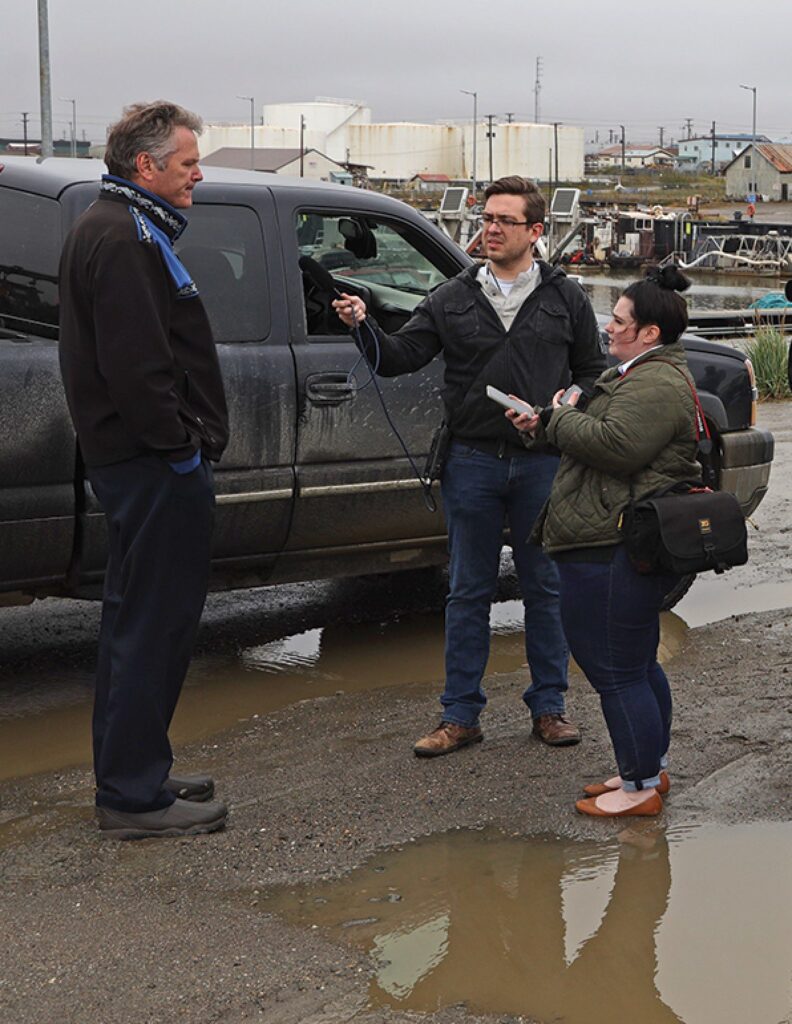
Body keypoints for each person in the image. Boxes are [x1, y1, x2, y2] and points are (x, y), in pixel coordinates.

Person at [333, 176, 606, 757]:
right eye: (487, 218)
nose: (491, 228)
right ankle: (460, 716)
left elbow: (592, 371)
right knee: (467, 591)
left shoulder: (565, 297)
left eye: (505, 220)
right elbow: (398, 359)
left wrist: (566, 402)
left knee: (546, 588)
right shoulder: (450, 297)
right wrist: (363, 324)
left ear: (536, 231)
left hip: (543, 462)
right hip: (471, 462)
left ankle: (550, 708)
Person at [58, 101, 230, 838]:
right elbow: (138, 368)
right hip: (151, 466)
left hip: (139, 462)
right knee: (153, 628)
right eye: (188, 162)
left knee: (139, 626)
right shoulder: (124, 236)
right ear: (146, 166)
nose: (198, 173)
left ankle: (139, 770)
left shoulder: (121, 225)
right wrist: (180, 450)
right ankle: (133, 797)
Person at [507, 266, 700, 817]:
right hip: (608, 535)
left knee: (616, 669)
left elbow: (616, 446)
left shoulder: (656, 382)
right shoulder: (637, 373)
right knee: (636, 665)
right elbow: (596, 441)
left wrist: (560, 417)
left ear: (649, 334)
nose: (607, 328)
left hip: (612, 543)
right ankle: (648, 768)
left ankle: (639, 788)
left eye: (617, 321)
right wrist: (543, 424)